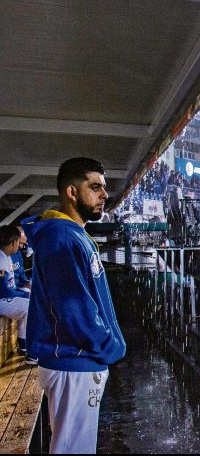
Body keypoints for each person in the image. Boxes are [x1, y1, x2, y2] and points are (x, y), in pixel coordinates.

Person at [21, 157, 126, 454]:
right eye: (94, 187)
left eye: (104, 188)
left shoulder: (71, 234)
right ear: (71, 192)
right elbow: (75, 310)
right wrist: (109, 347)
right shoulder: (61, 238)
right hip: (74, 362)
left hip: (76, 362)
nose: (104, 194)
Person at [0, 226, 30, 356]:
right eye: (18, 242)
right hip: (2, 300)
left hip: (6, 297)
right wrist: (26, 294)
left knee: (31, 304)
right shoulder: (1, 259)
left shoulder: (5, 256)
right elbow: (4, 291)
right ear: (13, 242)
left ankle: (24, 344)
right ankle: (25, 347)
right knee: (30, 306)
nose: (19, 246)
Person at [11, 226, 31, 294]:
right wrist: (24, 295)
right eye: (20, 243)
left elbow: (21, 272)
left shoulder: (18, 253)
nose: (22, 247)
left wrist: (26, 282)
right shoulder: (3, 258)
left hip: (19, 287)